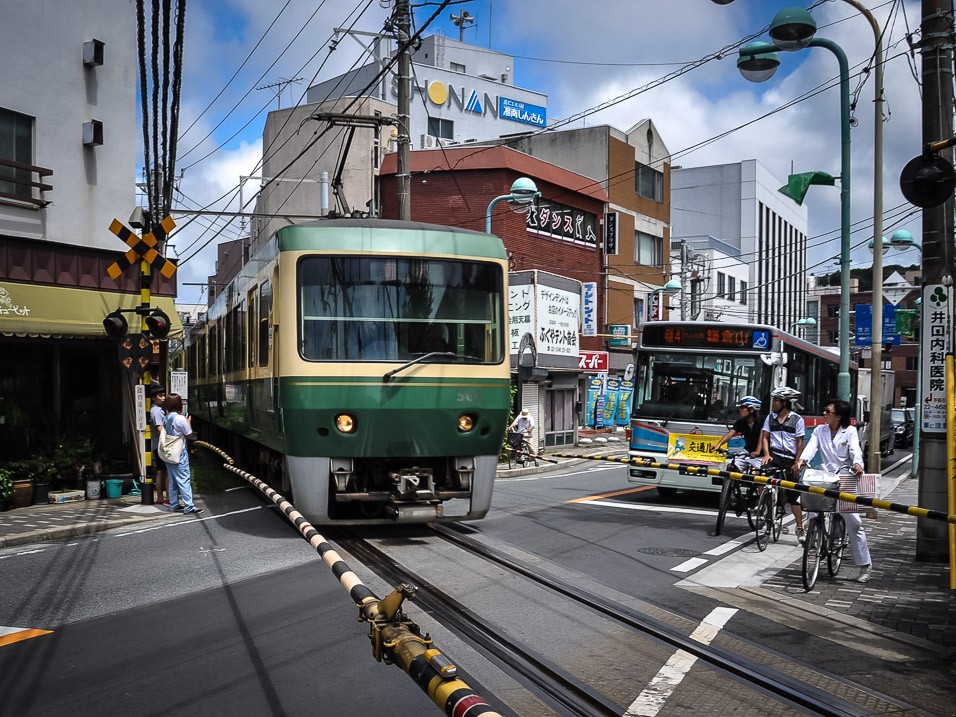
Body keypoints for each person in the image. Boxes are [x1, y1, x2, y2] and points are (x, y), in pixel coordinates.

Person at [793, 399, 873, 583]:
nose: (824, 413)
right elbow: (811, 448)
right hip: (826, 476)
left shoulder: (850, 431)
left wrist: (858, 464)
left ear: (838, 416)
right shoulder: (820, 430)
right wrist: (802, 460)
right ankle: (814, 536)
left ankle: (865, 565)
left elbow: (855, 450)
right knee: (811, 505)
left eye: (827, 411)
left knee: (854, 523)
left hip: (846, 476)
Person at [760, 386, 807, 543]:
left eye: (777, 401)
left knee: (794, 495)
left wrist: (797, 463)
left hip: (790, 459)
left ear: (785, 403)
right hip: (775, 455)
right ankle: (767, 506)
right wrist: (766, 454)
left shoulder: (797, 420)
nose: (774, 403)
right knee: (760, 476)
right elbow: (765, 437)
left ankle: (800, 527)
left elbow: (800, 443)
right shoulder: (770, 417)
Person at [160, 392, 203, 516]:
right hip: (179, 453)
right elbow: (189, 434)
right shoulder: (180, 418)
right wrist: (188, 422)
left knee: (173, 480)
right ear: (179, 404)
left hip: (168, 453)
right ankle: (189, 506)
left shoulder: (166, 418)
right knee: (184, 479)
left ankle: (174, 504)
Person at [713, 396, 763, 471]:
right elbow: (730, 433)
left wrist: (757, 452)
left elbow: (763, 437)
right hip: (747, 453)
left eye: (743, 408)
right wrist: (719, 444)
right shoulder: (740, 422)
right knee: (730, 467)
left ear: (752, 410)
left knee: (757, 474)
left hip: (761, 456)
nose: (740, 410)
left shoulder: (762, 421)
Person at [149, 384, 169, 506]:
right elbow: (160, 428)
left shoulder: (157, 409)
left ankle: (161, 497)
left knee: (161, 471)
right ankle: (165, 497)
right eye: (160, 396)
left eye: (163, 395)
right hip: (161, 445)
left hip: (157, 445)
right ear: (153, 397)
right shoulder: (156, 411)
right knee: (165, 471)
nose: (163, 398)